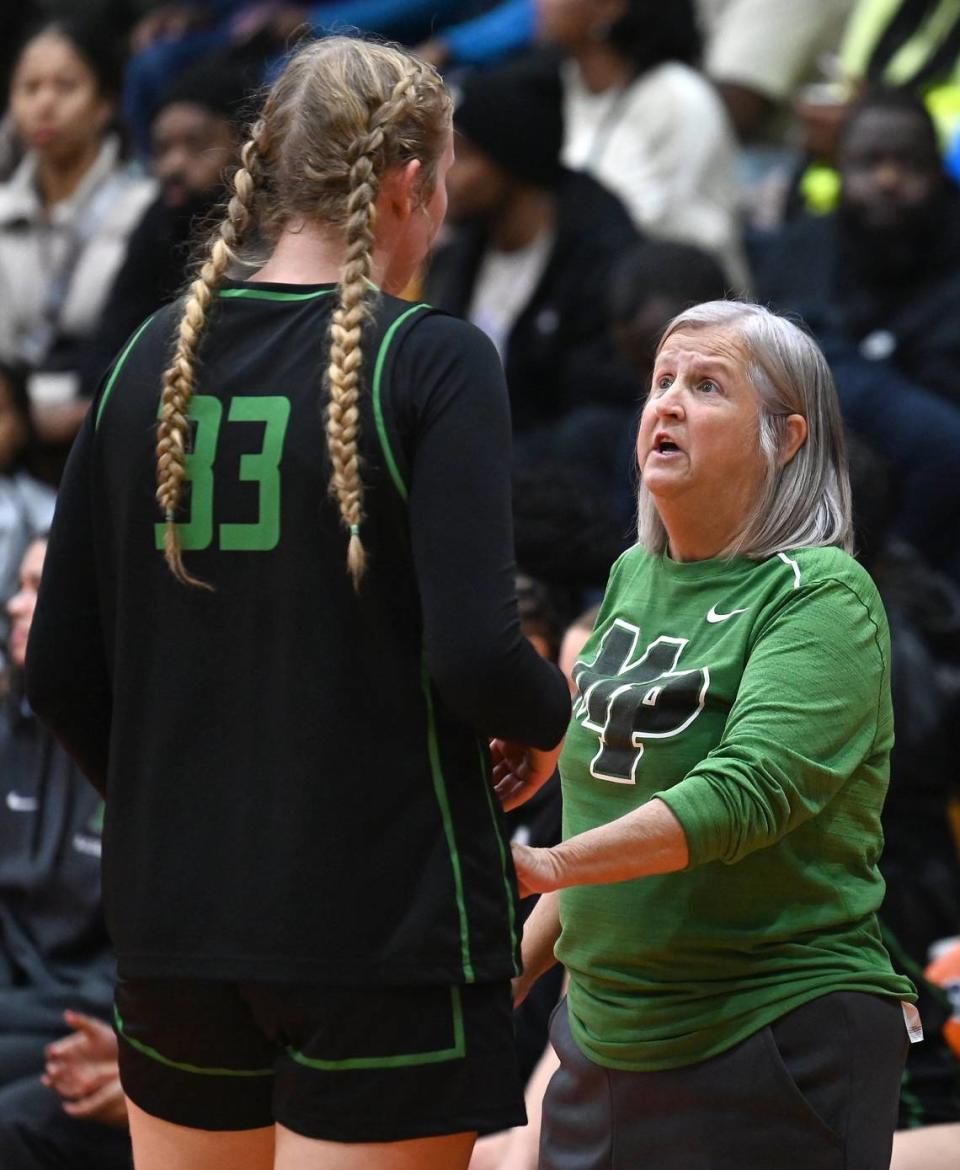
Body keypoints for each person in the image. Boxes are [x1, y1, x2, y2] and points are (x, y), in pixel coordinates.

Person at [25, 34, 570, 1170]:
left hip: (177, 926)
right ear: (412, 183)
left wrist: (182, 806)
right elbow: (478, 658)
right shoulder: (435, 360)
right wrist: (547, 709)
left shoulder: (141, 362)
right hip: (378, 928)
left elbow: (60, 667)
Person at [507, 300, 917, 1170]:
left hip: (770, 1035)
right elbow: (591, 826)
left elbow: (745, 794)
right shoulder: (632, 575)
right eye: (660, 382)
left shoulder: (822, 595)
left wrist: (549, 865)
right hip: (606, 1042)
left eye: (706, 385)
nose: (667, 404)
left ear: (788, 437)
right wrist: (498, 980)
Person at [757, 89, 960, 579]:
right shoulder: (800, 250)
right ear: (841, 168)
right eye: (870, 162)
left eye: (908, 163)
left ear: (936, 171)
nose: (888, 179)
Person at [424, 57, 639, 501]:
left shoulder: (603, 256)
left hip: (554, 490)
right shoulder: (459, 251)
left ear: (512, 160)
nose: (443, 173)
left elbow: (596, 417)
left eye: (463, 155)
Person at [0, 535, 128, 1170]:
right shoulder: (9, 727)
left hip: (95, 1016)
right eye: (17, 586)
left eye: (38, 589)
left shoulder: (133, 736)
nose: (16, 606)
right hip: (18, 999)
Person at [0, 18, 155, 452]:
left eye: (65, 87)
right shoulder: (3, 210)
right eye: (29, 88)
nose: (44, 104)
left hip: (108, 427)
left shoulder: (146, 208)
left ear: (105, 102)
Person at [536, 0, 748, 289]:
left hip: (684, 311)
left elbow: (658, 233)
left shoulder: (678, 99)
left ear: (610, 8)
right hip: (581, 296)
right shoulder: (555, 86)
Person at [79, 60, 249, 398]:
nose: (173, 165)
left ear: (244, 143)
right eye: (162, 149)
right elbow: (110, 347)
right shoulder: (158, 220)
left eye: (195, 145)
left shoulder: (279, 227)